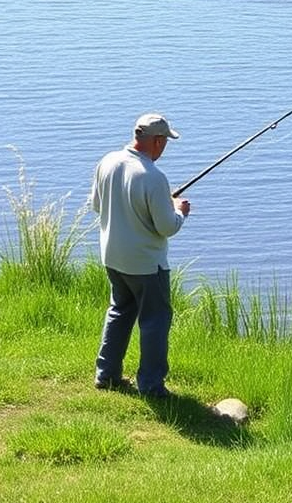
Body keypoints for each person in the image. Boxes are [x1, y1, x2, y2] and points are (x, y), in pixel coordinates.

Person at [89, 113, 191, 397]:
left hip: (112, 257)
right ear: (157, 141)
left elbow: (97, 205)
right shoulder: (154, 177)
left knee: (119, 311)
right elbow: (167, 227)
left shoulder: (107, 162)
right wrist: (179, 211)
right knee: (155, 321)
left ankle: (106, 374)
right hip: (147, 264)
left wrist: (154, 203)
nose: (165, 146)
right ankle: (151, 385)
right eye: (166, 141)